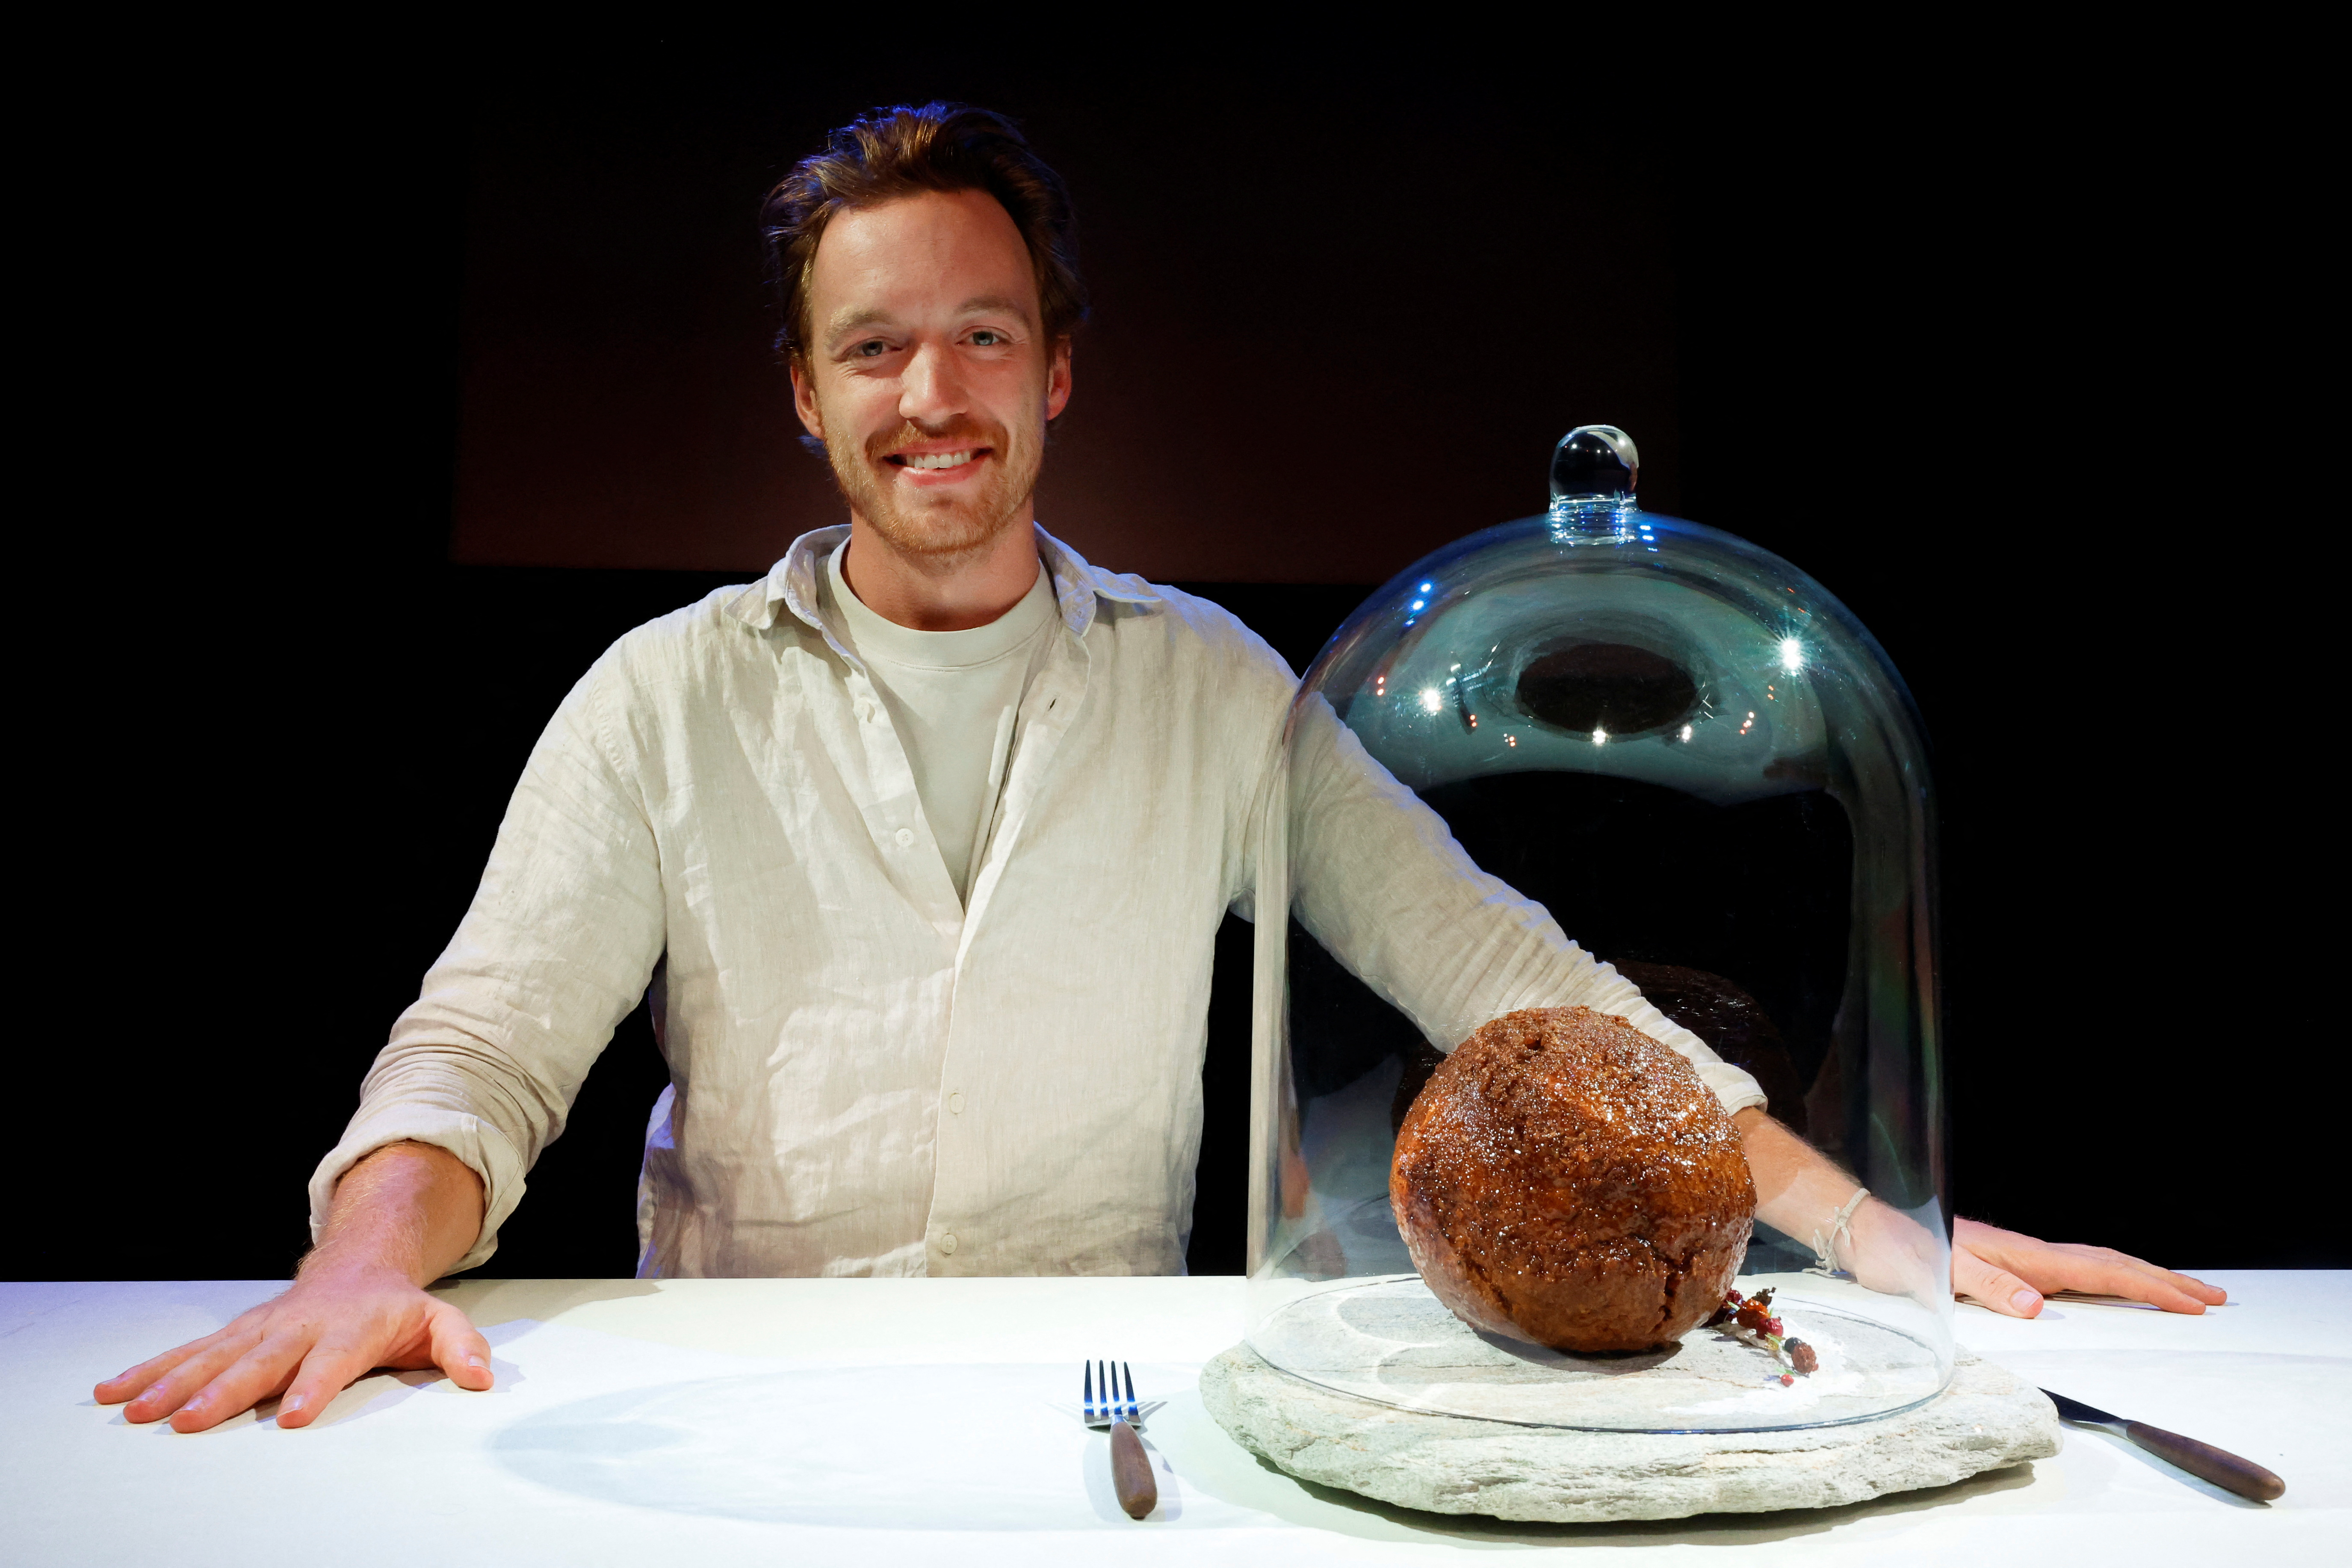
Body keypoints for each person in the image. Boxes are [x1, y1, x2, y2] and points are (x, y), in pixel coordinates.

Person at [98, 103, 2223, 1435]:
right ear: (806, 398)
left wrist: (1868, 1226)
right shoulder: (663, 692)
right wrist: (371, 1258)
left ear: (1058, 365)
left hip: (1095, 1406)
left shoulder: (1209, 685)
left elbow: (1506, 972)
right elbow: (482, 1043)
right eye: (874, 347)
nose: (934, 393)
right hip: (723, 1387)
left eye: (986, 333)